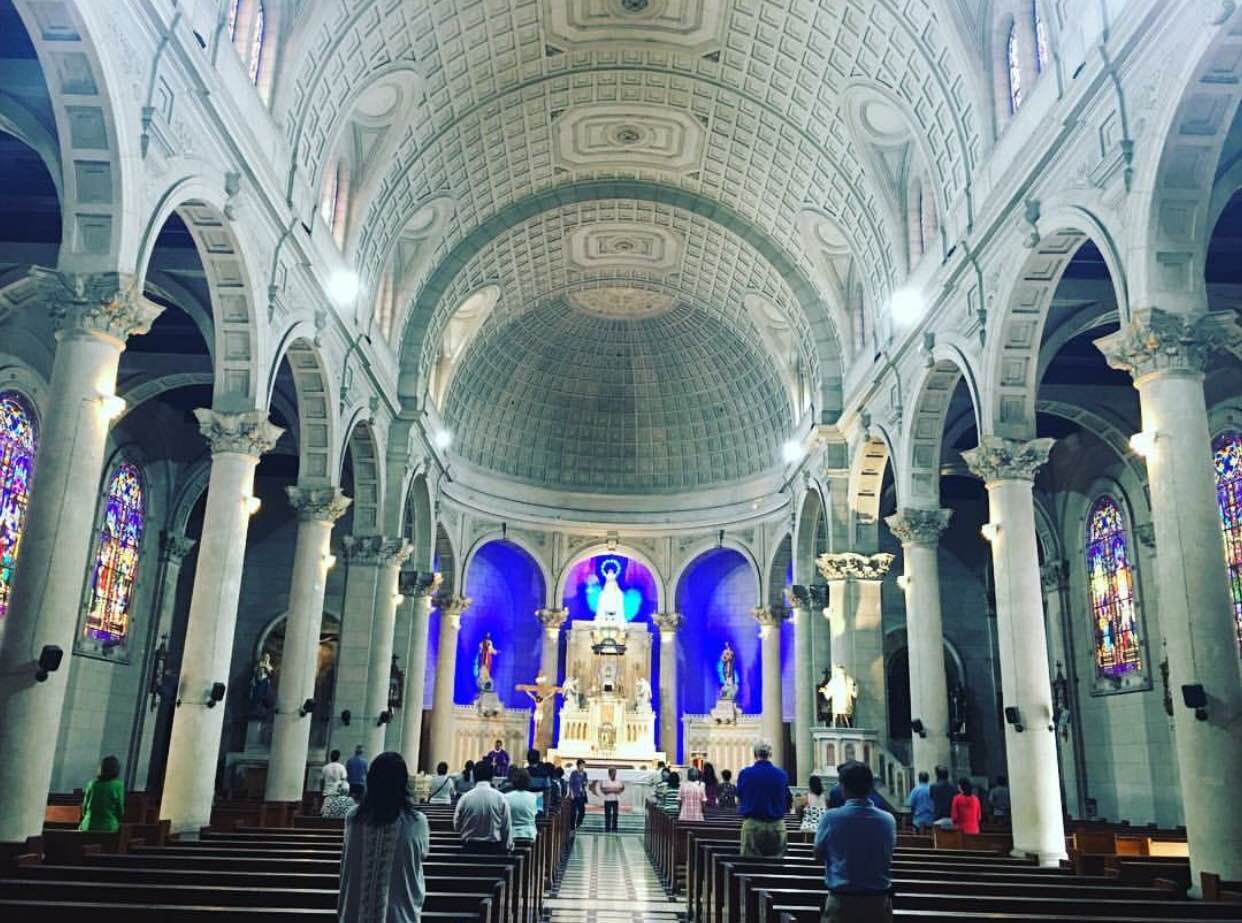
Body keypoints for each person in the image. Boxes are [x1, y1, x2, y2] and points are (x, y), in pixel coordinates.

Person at [338, 751, 430, 923]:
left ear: (371, 780)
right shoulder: (416, 821)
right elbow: (422, 855)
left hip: (355, 914)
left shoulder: (353, 818)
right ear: (403, 783)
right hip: (399, 916)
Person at [813, 760, 896, 923]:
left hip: (842, 902)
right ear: (871, 786)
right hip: (877, 903)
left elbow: (817, 855)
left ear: (842, 787)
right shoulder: (888, 820)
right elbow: (889, 852)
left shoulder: (830, 818)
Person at [737, 740, 789, 857]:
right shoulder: (782, 774)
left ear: (755, 754)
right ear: (770, 754)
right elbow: (786, 798)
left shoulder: (745, 773)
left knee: (749, 868)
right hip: (777, 826)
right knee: (777, 869)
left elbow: (740, 796)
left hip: (753, 825)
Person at [453, 760, 512, 853]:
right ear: (491, 777)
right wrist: (507, 848)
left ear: (474, 776)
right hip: (493, 849)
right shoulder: (500, 797)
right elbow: (506, 826)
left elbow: (456, 825)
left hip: (469, 848)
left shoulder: (465, 798)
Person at [79, 755, 124, 832]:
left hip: (87, 827)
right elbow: (120, 811)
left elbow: (84, 810)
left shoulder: (92, 784)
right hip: (108, 828)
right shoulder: (118, 785)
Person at [504, 767, 540, 846]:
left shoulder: (506, 797)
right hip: (529, 834)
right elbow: (535, 815)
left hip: (511, 835)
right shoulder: (533, 797)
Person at [598, 767, 626, 831]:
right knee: (607, 815)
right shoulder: (605, 781)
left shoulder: (618, 781)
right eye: (613, 772)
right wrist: (613, 789)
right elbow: (603, 789)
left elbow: (621, 788)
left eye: (615, 772)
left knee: (615, 815)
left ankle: (614, 829)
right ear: (610, 773)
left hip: (615, 800)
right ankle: (607, 829)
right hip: (607, 800)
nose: (615, 774)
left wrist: (612, 789)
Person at [568, 759, 589, 828]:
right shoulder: (574, 773)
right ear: (578, 765)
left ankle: (578, 823)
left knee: (582, 811)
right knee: (573, 811)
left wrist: (585, 782)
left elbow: (586, 781)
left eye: (584, 765)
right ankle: (572, 825)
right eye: (582, 765)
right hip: (575, 794)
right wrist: (571, 793)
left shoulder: (584, 773)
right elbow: (571, 784)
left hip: (581, 794)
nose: (583, 767)